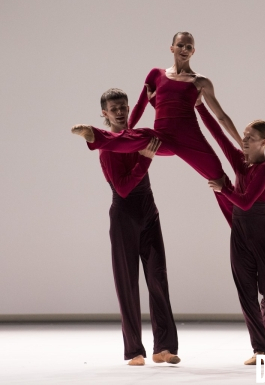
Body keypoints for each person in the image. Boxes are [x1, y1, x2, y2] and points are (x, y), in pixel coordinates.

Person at [72, 32, 241, 225]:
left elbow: (221, 116)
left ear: (193, 51)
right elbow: (139, 105)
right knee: (143, 136)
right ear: (172, 48)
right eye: (180, 45)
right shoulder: (156, 75)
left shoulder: (200, 82)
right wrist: (126, 133)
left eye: (189, 47)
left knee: (219, 178)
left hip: (190, 139)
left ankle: (241, 229)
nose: (184, 50)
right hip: (162, 137)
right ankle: (93, 135)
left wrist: (240, 143)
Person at [91, 88, 180, 366]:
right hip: (123, 217)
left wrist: (152, 97)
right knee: (127, 284)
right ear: (104, 114)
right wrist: (144, 158)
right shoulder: (107, 148)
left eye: (123, 107)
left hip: (149, 214)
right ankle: (134, 351)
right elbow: (124, 187)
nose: (120, 111)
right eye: (114, 108)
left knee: (158, 279)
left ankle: (163, 347)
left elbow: (171, 147)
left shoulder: (140, 136)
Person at [195, 96, 265, 365]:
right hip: (240, 233)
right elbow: (220, 136)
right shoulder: (241, 162)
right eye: (244, 135)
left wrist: (224, 189)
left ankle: (262, 339)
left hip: (263, 233)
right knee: (246, 293)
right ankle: (259, 348)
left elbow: (245, 201)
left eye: (251, 137)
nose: (244, 140)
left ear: (264, 142)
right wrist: (199, 106)